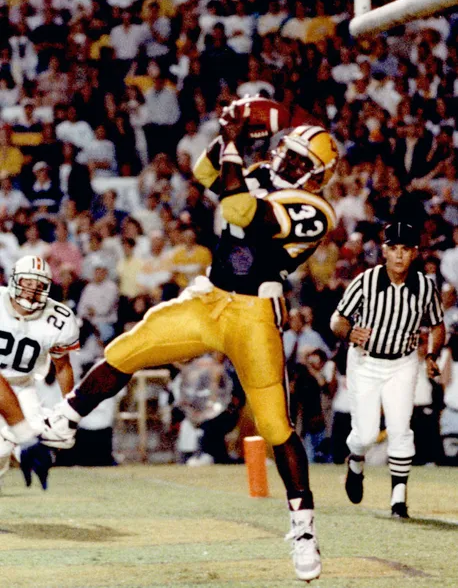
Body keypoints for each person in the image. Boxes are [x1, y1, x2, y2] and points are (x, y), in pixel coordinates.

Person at [41, 102, 339, 582]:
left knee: (274, 424)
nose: (288, 162)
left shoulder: (315, 210)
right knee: (130, 347)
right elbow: (203, 171)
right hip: (209, 298)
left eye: (302, 162)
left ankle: (303, 528)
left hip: (254, 314)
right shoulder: (257, 172)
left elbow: (239, 209)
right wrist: (227, 136)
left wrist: (235, 146)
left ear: (317, 175)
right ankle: (67, 416)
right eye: (288, 152)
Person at [330, 221, 445, 519]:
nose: (399, 255)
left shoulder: (424, 286)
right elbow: (337, 319)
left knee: (400, 428)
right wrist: (349, 331)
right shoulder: (366, 281)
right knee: (366, 433)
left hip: (403, 362)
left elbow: (437, 324)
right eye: (394, 248)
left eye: (405, 249)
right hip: (366, 362)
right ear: (384, 251)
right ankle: (356, 461)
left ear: (414, 253)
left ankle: (399, 500)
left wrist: (432, 354)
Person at [0, 255, 80, 489]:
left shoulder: (59, 318)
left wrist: (69, 410)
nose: (31, 290)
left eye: (39, 285)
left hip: (22, 385)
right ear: (14, 281)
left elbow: (62, 366)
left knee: (17, 443)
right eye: (27, 283)